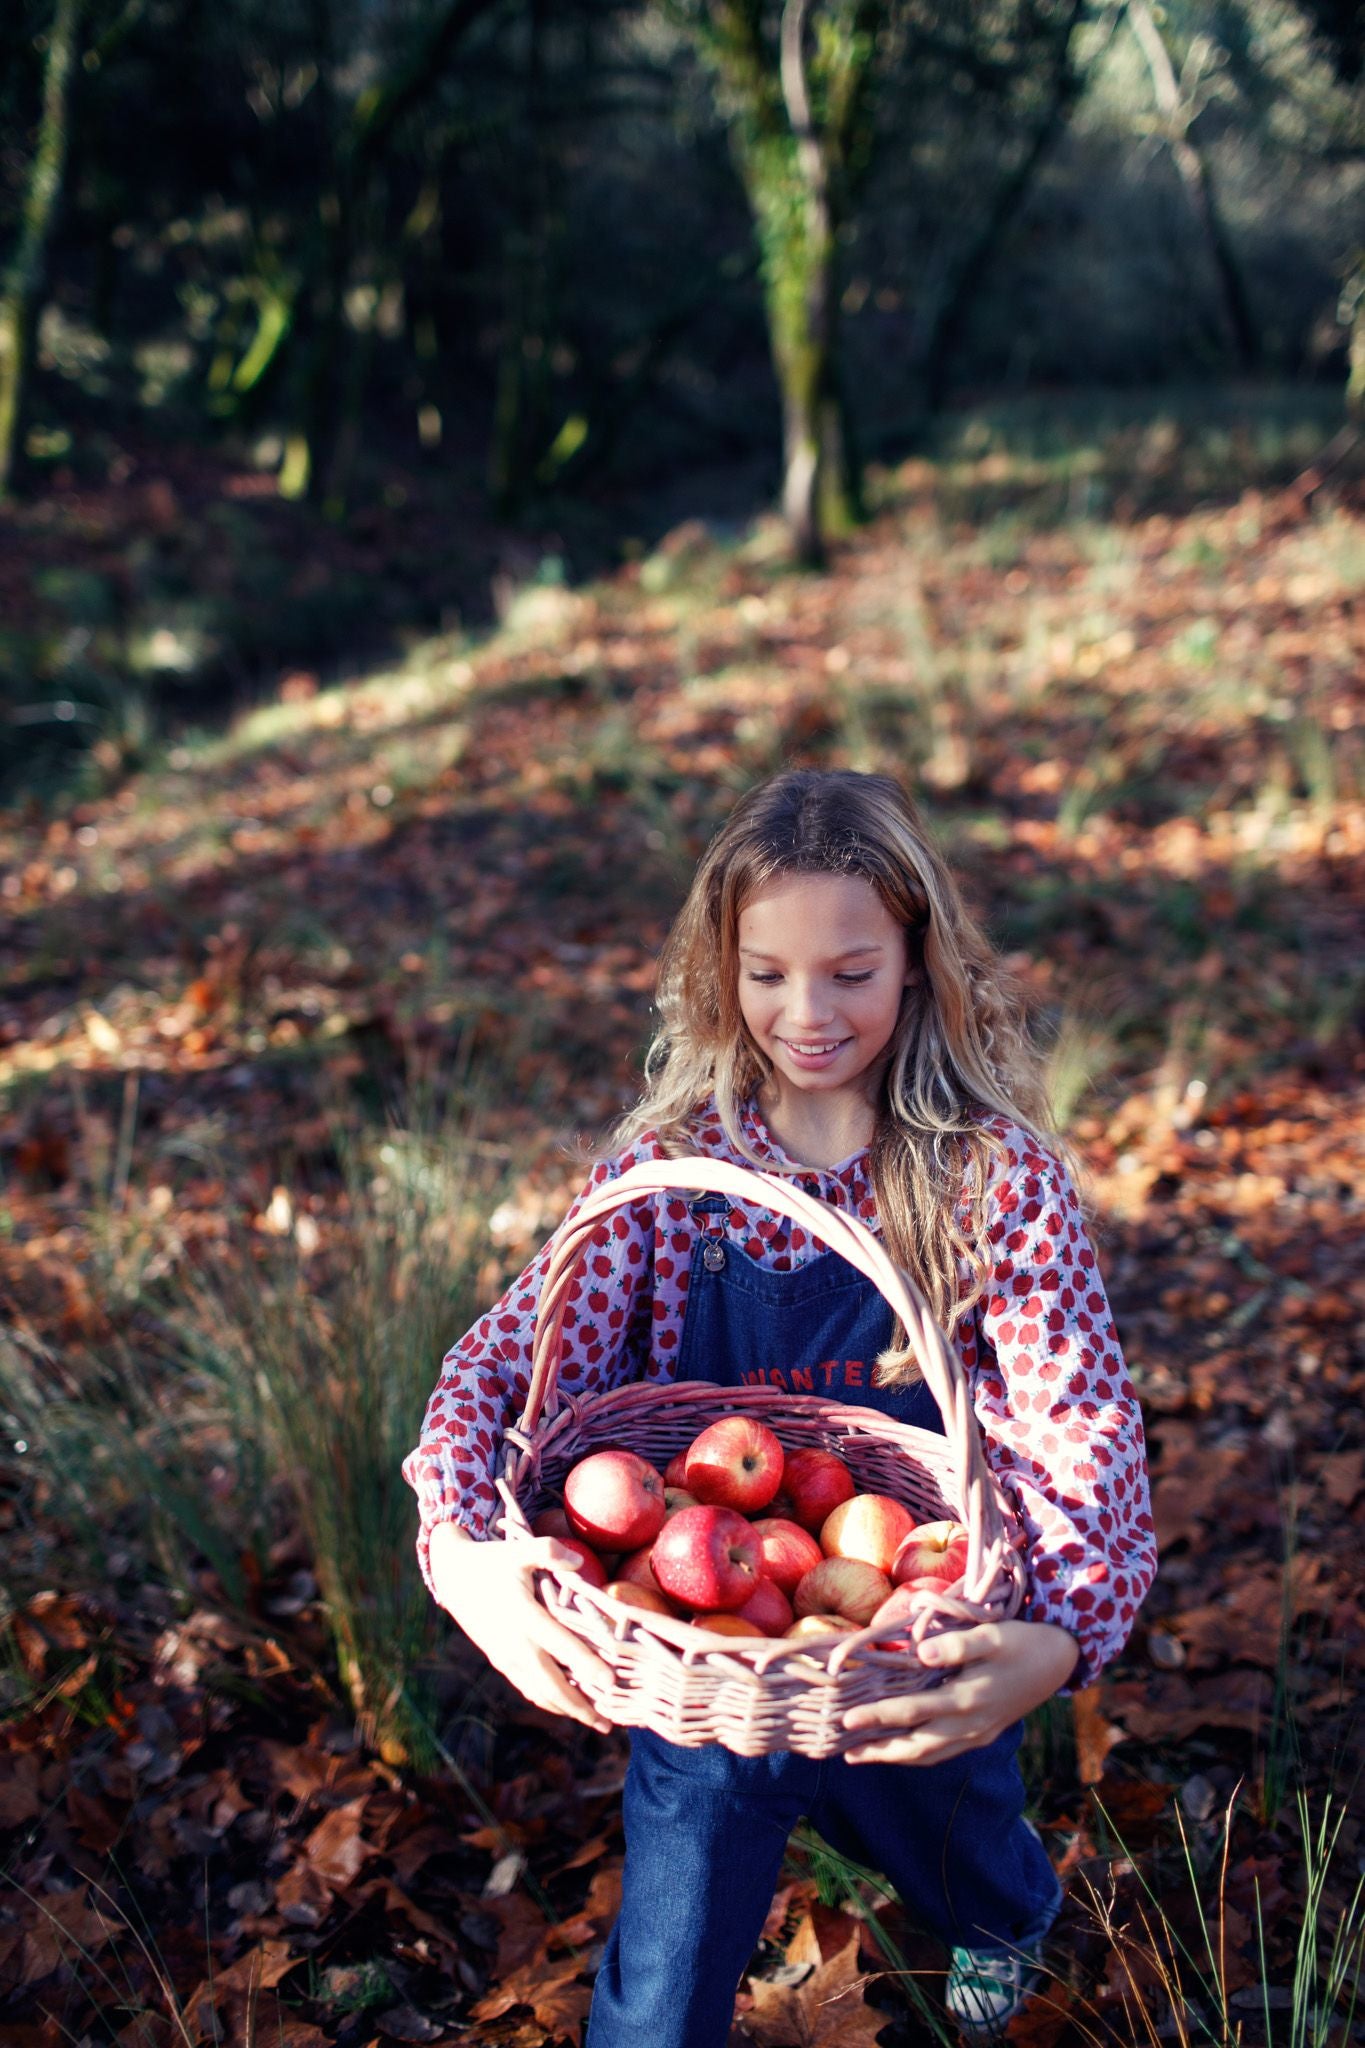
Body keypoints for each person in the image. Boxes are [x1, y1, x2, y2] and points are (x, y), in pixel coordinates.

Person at [402, 767, 1155, 2044]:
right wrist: (464, 1549)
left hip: (906, 1631)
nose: (806, 1014)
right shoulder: (673, 1176)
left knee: (949, 1827)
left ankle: (1005, 1909)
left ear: (918, 956)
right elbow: (499, 1363)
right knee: (678, 1918)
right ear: (722, 966)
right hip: (709, 1645)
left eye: (851, 972)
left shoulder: (990, 1181)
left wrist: (1060, 1639)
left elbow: (1078, 1422)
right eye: (767, 973)